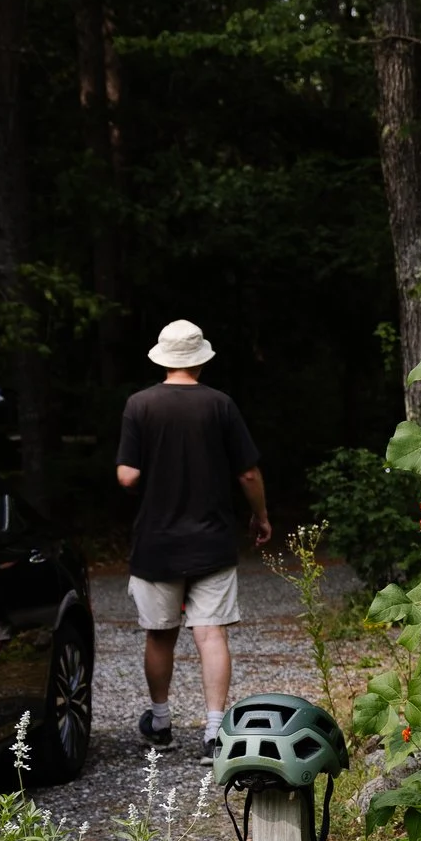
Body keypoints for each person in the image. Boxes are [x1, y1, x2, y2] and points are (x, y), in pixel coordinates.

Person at [115, 319, 273, 757]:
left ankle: (161, 723)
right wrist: (260, 515)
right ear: (201, 360)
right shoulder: (220, 405)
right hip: (212, 541)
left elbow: (127, 475)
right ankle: (214, 732)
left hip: (156, 542)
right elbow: (247, 471)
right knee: (211, 633)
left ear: (163, 359)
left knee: (160, 634)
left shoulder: (139, 405)